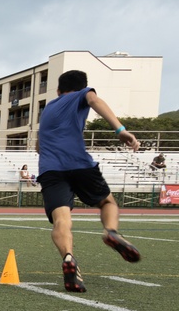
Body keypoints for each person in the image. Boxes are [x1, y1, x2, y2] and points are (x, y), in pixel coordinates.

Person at [37, 70, 141, 293]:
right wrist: (120, 130)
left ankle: (68, 258)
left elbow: (38, 145)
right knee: (107, 203)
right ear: (83, 86)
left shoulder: (47, 109)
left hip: (50, 169)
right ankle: (111, 232)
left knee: (61, 220)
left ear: (57, 90)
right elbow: (93, 100)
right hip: (79, 163)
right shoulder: (83, 94)